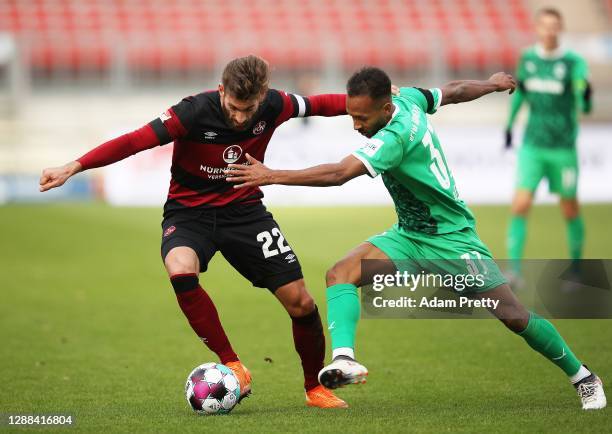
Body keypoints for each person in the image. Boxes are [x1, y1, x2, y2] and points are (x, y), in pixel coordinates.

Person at [225, 66, 606, 410]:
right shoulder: (407, 97)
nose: (355, 125)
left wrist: (272, 175)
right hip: (409, 234)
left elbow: (340, 173)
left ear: (385, 107)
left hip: (452, 239)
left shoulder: (393, 138)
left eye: (362, 117)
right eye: (352, 115)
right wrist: (491, 84)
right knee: (340, 273)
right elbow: (452, 90)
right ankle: (344, 359)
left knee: (513, 315)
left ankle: (583, 377)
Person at [39, 55, 349, 408]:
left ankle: (315, 388)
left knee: (301, 302)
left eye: (249, 109)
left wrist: (378, 99)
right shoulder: (191, 112)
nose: (240, 117)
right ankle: (232, 362)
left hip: (245, 213)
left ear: (262, 96)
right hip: (189, 214)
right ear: (221, 91)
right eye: (234, 107)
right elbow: (134, 141)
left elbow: (323, 104)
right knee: (180, 268)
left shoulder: (276, 103)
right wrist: (74, 166)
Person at [505, 7, 592, 279]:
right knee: (520, 204)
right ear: (537, 28)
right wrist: (509, 124)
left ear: (561, 28)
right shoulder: (528, 58)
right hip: (533, 145)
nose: (550, 30)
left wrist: (584, 95)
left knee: (569, 209)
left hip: (563, 148)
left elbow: (583, 100)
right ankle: (515, 271)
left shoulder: (573, 62)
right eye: (545, 25)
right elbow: (521, 94)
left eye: (555, 25)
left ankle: (576, 269)